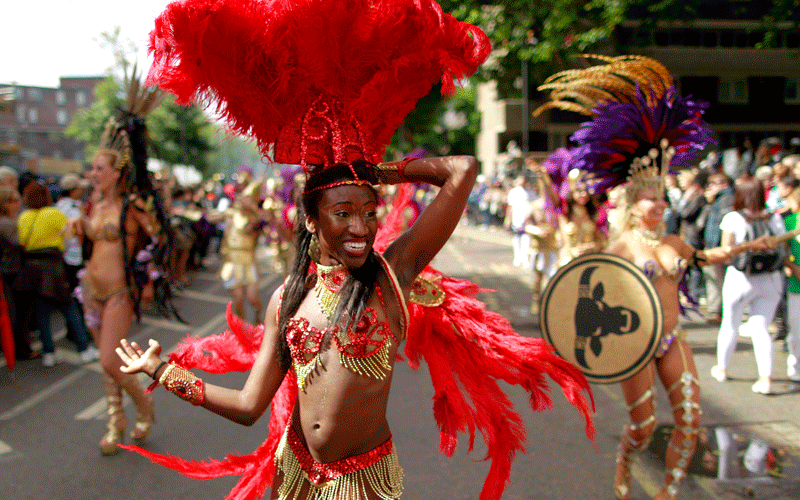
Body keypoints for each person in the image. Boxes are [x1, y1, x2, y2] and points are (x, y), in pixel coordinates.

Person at [113, 1, 595, 499]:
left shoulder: (391, 277)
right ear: (310, 219)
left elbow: (463, 170)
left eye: (369, 211)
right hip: (295, 476)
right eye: (342, 213)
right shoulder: (286, 300)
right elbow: (249, 407)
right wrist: (164, 372)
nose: (361, 226)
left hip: (363, 483)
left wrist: (367, 169)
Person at [536, 54, 771, 499]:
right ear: (633, 203)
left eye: (662, 197)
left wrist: (744, 247)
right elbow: (589, 287)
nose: (660, 205)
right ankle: (626, 459)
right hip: (636, 344)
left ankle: (669, 488)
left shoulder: (678, 241)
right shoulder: (621, 247)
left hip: (673, 338)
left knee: (690, 419)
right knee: (643, 427)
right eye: (650, 199)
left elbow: (704, 257)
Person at [67, 71, 173, 455]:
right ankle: (117, 421)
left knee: (113, 361)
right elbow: (92, 240)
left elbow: (161, 238)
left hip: (118, 291)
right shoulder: (92, 205)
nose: (92, 174)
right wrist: (80, 225)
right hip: (89, 289)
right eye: (91, 168)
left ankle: (145, 405)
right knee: (105, 364)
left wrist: (149, 276)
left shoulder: (132, 205)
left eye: (98, 168)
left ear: (116, 171)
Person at [710, 177, 788, 395]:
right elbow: (783, 247)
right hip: (770, 279)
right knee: (761, 328)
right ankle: (765, 378)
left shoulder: (733, 218)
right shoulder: (774, 218)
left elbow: (726, 251)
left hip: (740, 278)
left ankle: (722, 368)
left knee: (730, 324)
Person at [15, 182, 93, 367]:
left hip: (32, 269)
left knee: (42, 311)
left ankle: (49, 352)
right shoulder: (54, 213)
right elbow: (72, 235)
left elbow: (21, 242)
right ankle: (84, 349)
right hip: (55, 268)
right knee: (69, 307)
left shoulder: (23, 216)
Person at [701, 172, 735, 323]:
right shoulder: (719, 199)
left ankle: (724, 314)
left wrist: (720, 246)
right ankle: (720, 312)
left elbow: (723, 224)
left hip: (719, 246)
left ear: (724, 184)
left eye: (713, 184)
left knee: (722, 282)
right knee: (717, 280)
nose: (709, 188)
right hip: (714, 245)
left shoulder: (727, 198)